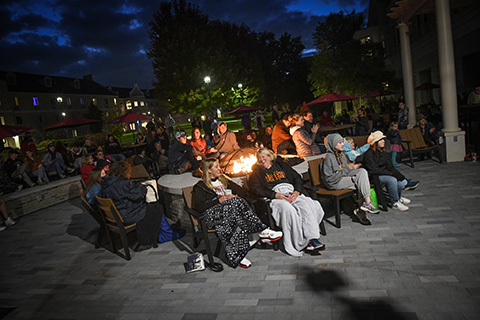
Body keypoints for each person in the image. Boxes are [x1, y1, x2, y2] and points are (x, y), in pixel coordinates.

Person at [194, 159, 283, 268]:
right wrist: (219, 200)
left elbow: (241, 191)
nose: (219, 169)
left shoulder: (223, 180)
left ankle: (239, 255)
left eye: (219, 166)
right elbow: (199, 207)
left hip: (229, 214)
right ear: (208, 170)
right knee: (234, 207)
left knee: (235, 206)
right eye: (216, 167)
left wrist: (236, 196)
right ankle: (262, 231)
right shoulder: (200, 186)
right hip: (211, 216)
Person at [249, 148, 326, 256]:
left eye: (264, 156)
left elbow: (297, 178)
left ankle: (312, 239)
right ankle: (300, 243)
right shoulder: (256, 172)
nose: (262, 160)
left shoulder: (282, 166)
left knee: (306, 206)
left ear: (269, 156)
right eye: (259, 158)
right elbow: (255, 189)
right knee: (288, 210)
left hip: (290, 191)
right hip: (275, 196)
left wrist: (297, 191)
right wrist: (275, 195)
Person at [101, 161, 182, 249]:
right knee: (156, 207)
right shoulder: (122, 184)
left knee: (152, 206)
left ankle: (165, 230)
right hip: (128, 215)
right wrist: (142, 188)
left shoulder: (107, 183)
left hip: (117, 214)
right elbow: (137, 193)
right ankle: (166, 234)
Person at [320, 133, 379, 226]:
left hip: (342, 177)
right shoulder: (328, 158)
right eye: (339, 143)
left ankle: (367, 203)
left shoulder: (341, 154)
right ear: (332, 144)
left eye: (342, 142)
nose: (342, 144)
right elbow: (330, 178)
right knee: (360, 183)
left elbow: (343, 170)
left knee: (362, 172)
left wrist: (349, 168)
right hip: (334, 182)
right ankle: (361, 211)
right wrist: (349, 168)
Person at [363, 131, 419, 211]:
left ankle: (398, 197)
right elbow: (374, 169)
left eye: (383, 139)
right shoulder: (369, 154)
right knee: (392, 179)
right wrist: (390, 173)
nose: (383, 141)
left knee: (400, 183)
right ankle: (394, 202)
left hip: (383, 173)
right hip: (374, 176)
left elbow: (391, 167)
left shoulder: (384, 152)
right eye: (380, 140)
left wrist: (402, 177)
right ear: (375, 142)